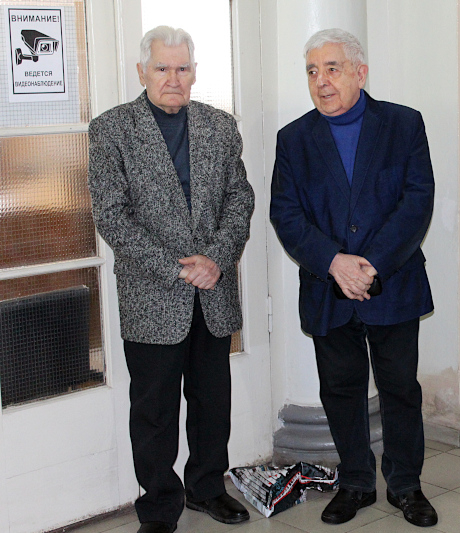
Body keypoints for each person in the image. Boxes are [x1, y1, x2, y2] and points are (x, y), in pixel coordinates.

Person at [88, 26, 254, 533]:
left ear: (195, 73)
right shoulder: (111, 130)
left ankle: (207, 488)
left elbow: (240, 199)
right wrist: (179, 268)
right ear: (142, 71)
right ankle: (159, 508)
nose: (173, 78)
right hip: (152, 294)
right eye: (162, 68)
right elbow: (112, 217)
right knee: (154, 411)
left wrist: (216, 259)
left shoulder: (220, 126)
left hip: (213, 292)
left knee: (212, 402)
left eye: (182, 68)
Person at [269, 28, 438, 527]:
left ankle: (406, 485)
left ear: (360, 73)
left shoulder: (404, 124)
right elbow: (286, 214)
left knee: (399, 389)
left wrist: (371, 264)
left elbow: (417, 201)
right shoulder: (293, 139)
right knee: (340, 390)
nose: (321, 81)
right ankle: (357, 482)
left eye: (332, 69)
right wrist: (335, 263)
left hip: (393, 283)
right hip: (328, 289)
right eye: (312, 71)